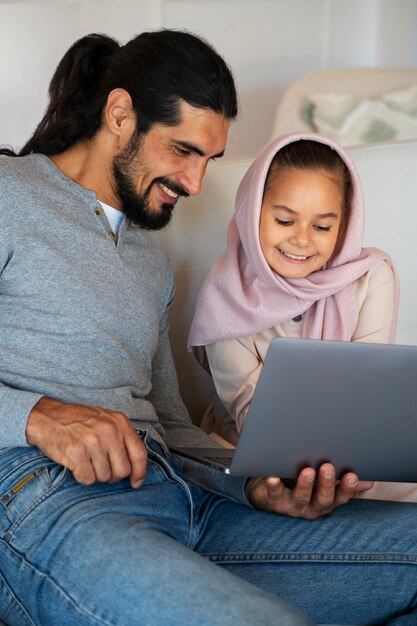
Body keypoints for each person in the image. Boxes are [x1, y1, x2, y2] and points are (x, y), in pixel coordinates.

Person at [0, 30, 416, 626]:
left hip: (189, 499)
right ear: (121, 114)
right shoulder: (8, 195)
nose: (196, 184)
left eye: (209, 161)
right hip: (53, 501)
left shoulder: (149, 260)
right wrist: (37, 417)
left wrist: (252, 486)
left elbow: (169, 425)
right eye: (183, 151)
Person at [189, 133, 417, 502]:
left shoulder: (371, 276)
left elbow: (368, 392)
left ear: (345, 226)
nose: (302, 240)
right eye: (284, 220)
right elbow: (255, 417)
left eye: (323, 227)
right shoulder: (226, 297)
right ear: (252, 212)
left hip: (354, 447)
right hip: (258, 460)